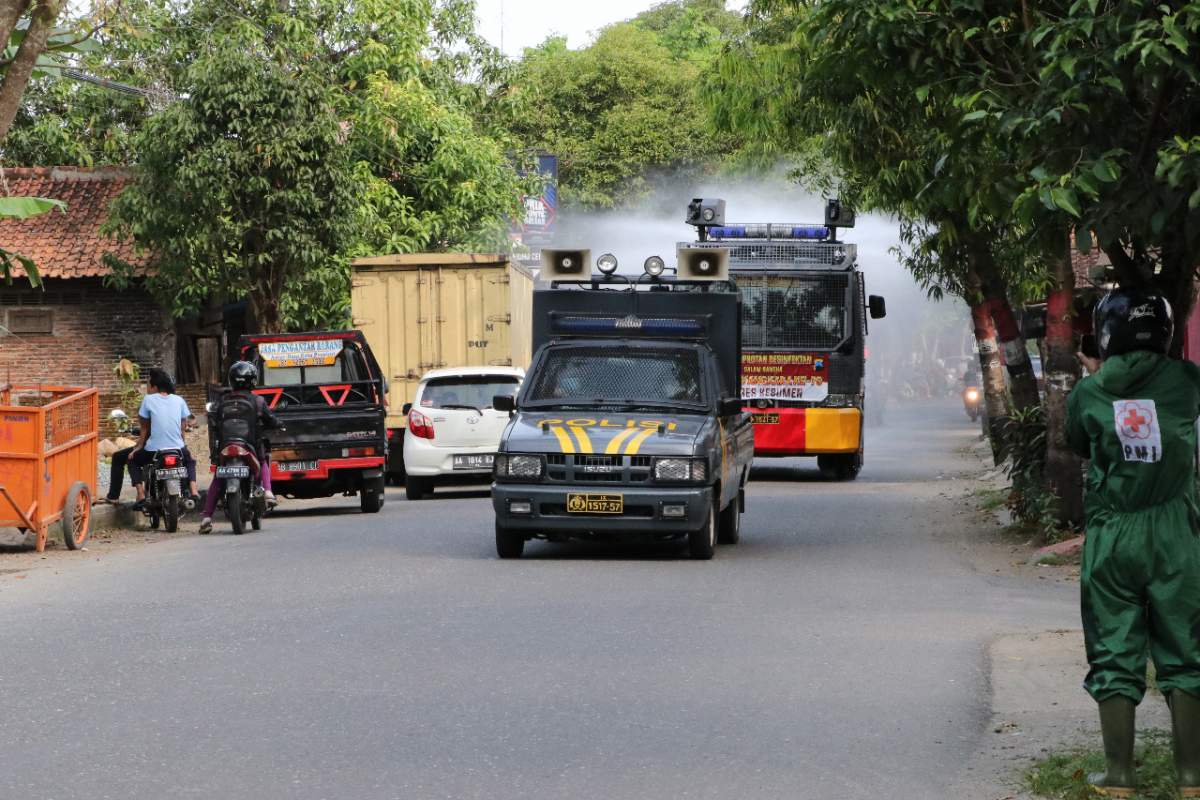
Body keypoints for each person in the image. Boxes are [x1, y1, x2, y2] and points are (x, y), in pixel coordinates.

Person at [1066, 288, 1200, 798]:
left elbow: (1079, 442)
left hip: (1114, 536)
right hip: (1175, 534)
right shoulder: (1187, 381)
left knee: (1113, 647)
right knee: (1185, 649)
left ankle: (1120, 775)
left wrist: (1101, 383)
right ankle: (1192, 778)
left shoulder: (1090, 392)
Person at [200, 361, 280, 534]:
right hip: (249, 446)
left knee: (218, 477)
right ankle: (267, 491)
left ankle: (206, 517)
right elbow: (271, 420)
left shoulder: (222, 400)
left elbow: (213, 422)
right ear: (253, 380)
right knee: (263, 459)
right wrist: (278, 424)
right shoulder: (258, 401)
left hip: (226, 446)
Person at [128, 369, 199, 509]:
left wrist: (138, 447)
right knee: (189, 461)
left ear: (154, 385)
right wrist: (182, 445)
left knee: (132, 460)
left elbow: (144, 428)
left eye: (148, 382)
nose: (148, 385)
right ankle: (194, 490)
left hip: (154, 450)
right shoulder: (179, 400)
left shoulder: (148, 400)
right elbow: (182, 427)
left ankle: (141, 495)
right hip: (177, 448)